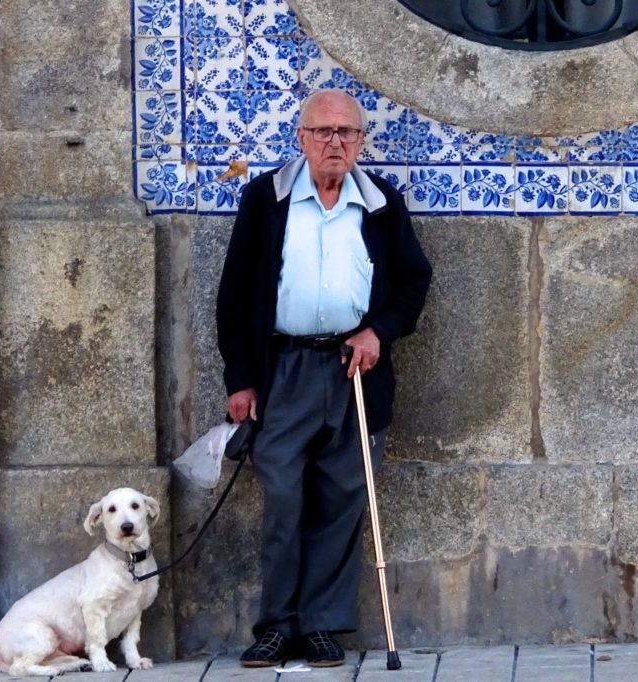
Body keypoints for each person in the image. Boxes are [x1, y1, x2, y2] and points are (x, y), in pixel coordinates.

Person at [215, 89, 432, 668]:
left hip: (353, 371)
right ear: (302, 137)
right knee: (282, 497)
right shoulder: (267, 198)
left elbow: (413, 281)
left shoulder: (382, 202)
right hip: (283, 369)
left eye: (347, 133)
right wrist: (241, 380)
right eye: (323, 132)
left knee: (342, 498)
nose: (335, 143)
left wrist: (378, 331)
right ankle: (276, 625)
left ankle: (321, 626)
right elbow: (235, 295)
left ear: (361, 142)